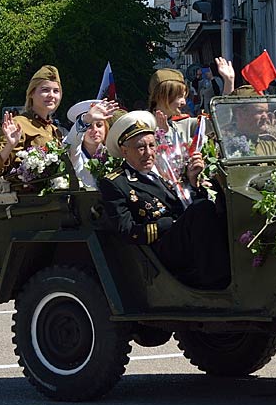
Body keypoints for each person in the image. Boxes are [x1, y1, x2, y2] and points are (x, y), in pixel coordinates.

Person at [98, 111, 230, 289]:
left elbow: (187, 207)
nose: (149, 153)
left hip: (185, 238)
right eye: (140, 147)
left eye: (152, 145)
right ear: (124, 151)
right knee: (203, 209)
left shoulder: (163, 170)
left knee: (220, 206)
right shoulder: (116, 183)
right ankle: (215, 280)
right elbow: (126, 230)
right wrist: (168, 224)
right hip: (160, 249)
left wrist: (192, 182)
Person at [0, 65, 64, 179]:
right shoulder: (18, 124)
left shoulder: (55, 130)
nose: (51, 95)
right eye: (45, 90)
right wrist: (10, 146)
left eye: (56, 91)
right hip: (26, 194)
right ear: (31, 93)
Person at [64, 99, 122, 188]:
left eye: (99, 125)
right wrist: (85, 120)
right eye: (89, 126)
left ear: (106, 128)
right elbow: (72, 143)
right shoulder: (76, 155)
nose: (95, 130)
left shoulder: (114, 153)